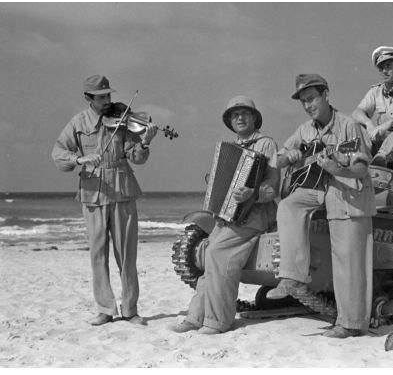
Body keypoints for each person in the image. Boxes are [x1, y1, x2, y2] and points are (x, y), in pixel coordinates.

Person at [267, 74, 375, 339]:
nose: (308, 105)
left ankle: (350, 324)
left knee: (347, 260)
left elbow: (361, 167)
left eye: (311, 98)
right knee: (288, 207)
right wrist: (288, 157)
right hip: (314, 190)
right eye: (303, 101)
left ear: (326, 94)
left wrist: (336, 167)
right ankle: (293, 275)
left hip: (345, 193)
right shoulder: (305, 130)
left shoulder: (349, 126)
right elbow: (278, 159)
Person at [52, 75, 157, 326]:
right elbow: (58, 154)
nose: (108, 101)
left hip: (123, 189)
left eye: (109, 95)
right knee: (98, 254)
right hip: (92, 193)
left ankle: (130, 310)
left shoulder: (123, 120)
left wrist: (144, 141)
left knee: (127, 255)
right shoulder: (77, 122)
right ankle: (105, 309)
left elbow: (137, 158)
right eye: (102, 97)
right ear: (88, 98)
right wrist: (80, 159)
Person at [171, 96, 280, 335]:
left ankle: (219, 320)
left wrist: (253, 194)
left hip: (255, 215)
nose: (240, 118)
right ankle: (196, 316)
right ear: (230, 121)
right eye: (234, 115)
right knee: (210, 253)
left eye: (245, 113)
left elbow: (273, 186)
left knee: (218, 253)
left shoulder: (266, 144)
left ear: (254, 117)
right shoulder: (229, 148)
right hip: (228, 216)